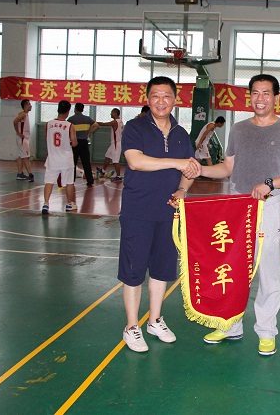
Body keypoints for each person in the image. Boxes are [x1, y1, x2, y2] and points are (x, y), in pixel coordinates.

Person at [185, 74, 280, 356]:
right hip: (236, 208)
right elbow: (227, 168)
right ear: (249, 96)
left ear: (275, 97)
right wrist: (201, 169)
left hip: (267, 207)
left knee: (267, 270)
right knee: (233, 268)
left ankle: (266, 331)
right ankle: (230, 324)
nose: (260, 98)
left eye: (266, 93)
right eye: (255, 92)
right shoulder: (238, 130)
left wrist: (270, 183)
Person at [118, 76, 197, 353]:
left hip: (168, 212)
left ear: (175, 100)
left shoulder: (181, 133)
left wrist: (182, 190)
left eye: (166, 96)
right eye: (155, 96)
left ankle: (154, 320)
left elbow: (190, 171)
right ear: (148, 99)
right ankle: (131, 326)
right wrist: (178, 162)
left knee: (162, 269)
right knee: (133, 270)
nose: (160, 101)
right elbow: (135, 161)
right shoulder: (135, 127)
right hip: (138, 211)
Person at [42, 100, 78, 215]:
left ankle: (46, 203)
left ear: (58, 109)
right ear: (68, 111)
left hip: (52, 158)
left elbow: (46, 138)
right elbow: (74, 143)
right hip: (66, 159)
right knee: (69, 182)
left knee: (49, 181)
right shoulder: (70, 126)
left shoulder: (48, 124)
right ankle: (69, 203)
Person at [67, 103, 99, 187]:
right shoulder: (87, 119)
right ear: (82, 109)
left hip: (74, 142)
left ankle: (71, 180)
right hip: (84, 142)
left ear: (75, 109)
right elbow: (96, 125)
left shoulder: (71, 119)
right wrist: (89, 132)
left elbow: (67, 129)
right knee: (86, 162)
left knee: (73, 162)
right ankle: (90, 180)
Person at [96, 108, 124, 181]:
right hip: (115, 143)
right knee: (107, 156)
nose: (110, 114)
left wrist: (95, 122)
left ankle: (119, 176)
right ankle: (103, 171)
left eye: (111, 112)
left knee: (115, 161)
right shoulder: (120, 121)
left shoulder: (115, 122)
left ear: (115, 113)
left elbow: (104, 124)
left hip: (116, 143)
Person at [13, 99, 34, 182]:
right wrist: (18, 132)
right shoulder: (23, 114)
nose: (31, 106)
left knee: (21, 156)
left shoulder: (25, 114)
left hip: (23, 138)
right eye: (29, 104)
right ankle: (30, 174)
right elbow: (15, 121)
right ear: (25, 105)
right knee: (26, 157)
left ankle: (19, 173)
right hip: (22, 139)